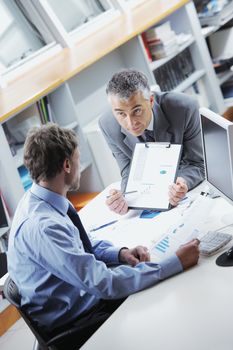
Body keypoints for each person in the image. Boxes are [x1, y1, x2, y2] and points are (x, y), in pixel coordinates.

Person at [7, 124, 199, 349]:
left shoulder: (39, 200)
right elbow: (104, 284)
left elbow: (79, 243)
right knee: (171, 302)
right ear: (67, 165)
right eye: (78, 158)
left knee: (149, 280)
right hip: (78, 320)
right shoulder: (44, 227)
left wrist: (120, 254)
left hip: (74, 295)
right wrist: (175, 263)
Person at [99, 69, 205, 215]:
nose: (130, 123)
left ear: (150, 100)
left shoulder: (184, 108)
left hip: (190, 196)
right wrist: (123, 198)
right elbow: (128, 171)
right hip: (151, 199)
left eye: (136, 111)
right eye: (121, 113)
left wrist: (183, 182)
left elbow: (197, 163)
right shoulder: (108, 125)